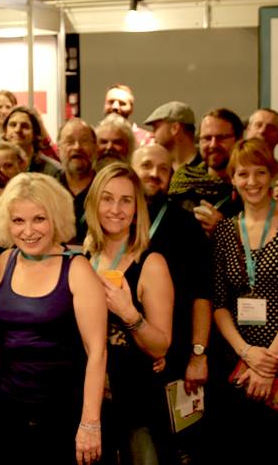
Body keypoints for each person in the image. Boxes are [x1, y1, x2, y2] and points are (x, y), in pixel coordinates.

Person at [209, 138, 278, 464]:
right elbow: (219, 303)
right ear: (232, 179)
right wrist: (246, 353)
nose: (252, 181)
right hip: (236, 365)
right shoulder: (225, 231)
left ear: (272, 175)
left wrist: (268, 363)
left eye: (260, 172)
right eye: (243, 174)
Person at [0, 173, 106, 464]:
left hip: (62, 412)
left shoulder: (77, 269)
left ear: (56, 218)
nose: (28, 231)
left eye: (39, 219)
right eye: (18, 221)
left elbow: (97, 352)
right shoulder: (6, 261)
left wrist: (90, 423)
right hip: (6, 408)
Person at [83, 163, 174, 463]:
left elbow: (160, 346)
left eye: (126, 200)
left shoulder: (151, 263)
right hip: (90, 402)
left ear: (137, 209)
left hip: (137, 405)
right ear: (94, 203)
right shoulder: (82, 257)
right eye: (107, 199)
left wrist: (130, 315)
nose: (115, 209)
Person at [131, 144, 212, 462]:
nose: (154, 174)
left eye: (163, 169)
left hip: (175, 360)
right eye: (146, 165)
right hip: (126, 362)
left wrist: (198, 354)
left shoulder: (186, 226)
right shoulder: (115, 220)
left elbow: (202, 295)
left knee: (171, 450)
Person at [169, 108, 244, 232]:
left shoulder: (249, 187)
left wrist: (223, 229)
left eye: (221, 138)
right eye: (207, 138)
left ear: (239, 139)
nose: (213, 145)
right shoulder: (184, 180)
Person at [55, 118, 98, 245]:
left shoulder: (106, 188)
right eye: (69, 141)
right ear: (58, 149)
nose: (77, 147)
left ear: (95, 148)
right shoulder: (48, 189)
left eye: (84, 141)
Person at [4, 105, 62, 175]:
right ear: (5, 131)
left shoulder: (52, 170)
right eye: (13, 125)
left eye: (25, 126)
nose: (17, 130)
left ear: (35, 133)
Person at [144, 101, 197, 171]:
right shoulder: (161, 170)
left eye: (156, 127)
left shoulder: (207, 168)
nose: (151, 135)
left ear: (175, 128)